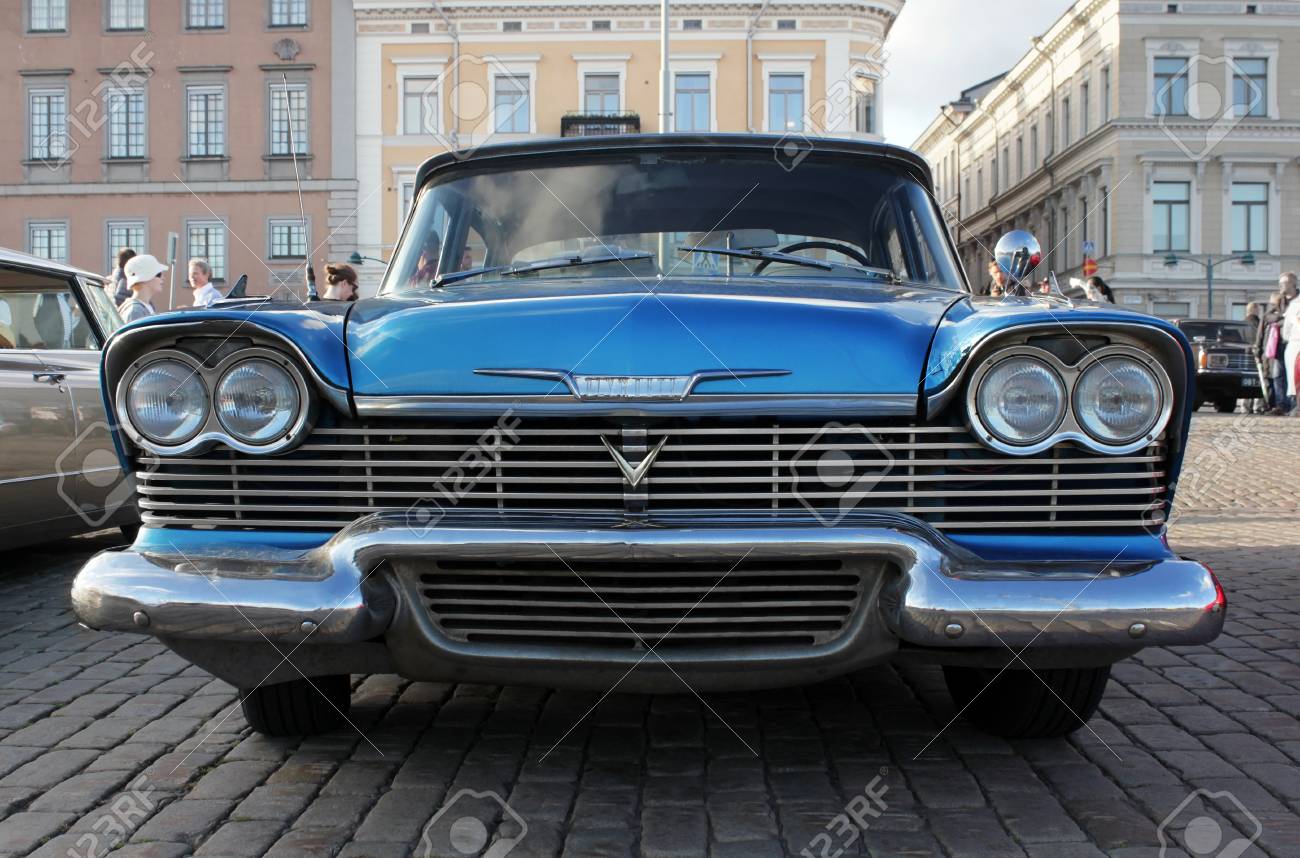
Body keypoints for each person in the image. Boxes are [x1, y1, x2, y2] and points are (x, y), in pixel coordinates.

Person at [119, 254, 167, 322]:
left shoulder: (145, 307)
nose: (163, 278)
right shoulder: (135, 311)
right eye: (159, 274)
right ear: (145, 278)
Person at [1280, 272, 1300, 414]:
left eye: (1284, 283)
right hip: (1290, 343)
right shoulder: (1281, 302)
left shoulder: (1297, 303)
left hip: (1297, 342)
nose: (1281, 286)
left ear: (1292, 284)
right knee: (1291, 377)